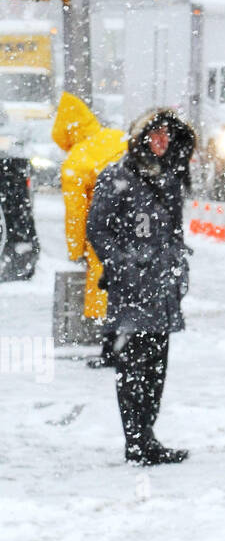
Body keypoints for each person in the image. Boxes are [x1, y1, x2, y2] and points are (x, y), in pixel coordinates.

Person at [86, 107, 195, 465]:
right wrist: (124, 264)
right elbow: (97, 229)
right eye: (155, 134)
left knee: (157, 368)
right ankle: (136, 440)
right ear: (141, 137)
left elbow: (174, 233)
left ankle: (147, 436)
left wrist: (177, 265)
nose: (162, 141)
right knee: (133, 368)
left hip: (162, 290)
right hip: (132, 291)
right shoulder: (117, 177)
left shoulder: (169, 178)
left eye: (167, 134)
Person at [51, 92, 128, 368]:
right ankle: (133, 345)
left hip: (105, 225)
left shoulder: (76, 161)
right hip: (136, 219)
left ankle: (111, 351)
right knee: (132, 282)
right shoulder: (117, 137)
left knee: (106, 288)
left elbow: (75, 213)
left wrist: (77, 249)